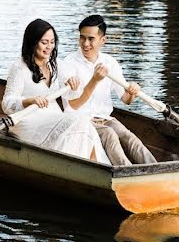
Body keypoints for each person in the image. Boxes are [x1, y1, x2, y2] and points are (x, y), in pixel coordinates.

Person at [2, 19, 110, 164]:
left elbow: (72, 96)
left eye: (52, 42)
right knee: (77, 121)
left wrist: (74, 85)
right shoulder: (19, 68)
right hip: (29, 121)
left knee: (82, 123)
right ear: (33, 42)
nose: (49, 47)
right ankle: (83, 168)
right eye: (44, 42)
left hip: (53, 117)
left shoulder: (56, 64)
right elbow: (7, 104)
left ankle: (93, 167)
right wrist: (29, 100)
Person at [61, 15, 157, 166]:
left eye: (91, 39)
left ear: (102, 40)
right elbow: (72, 106)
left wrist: (131, 92)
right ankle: (129, 173)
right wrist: (94, 80)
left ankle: (155, 168)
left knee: (129, 137)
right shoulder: (69, 63)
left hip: (105, 119)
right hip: (80, 121)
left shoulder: (110, 63)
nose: (85, 44)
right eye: (82, 38)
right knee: (110, 135)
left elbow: (126, 100)